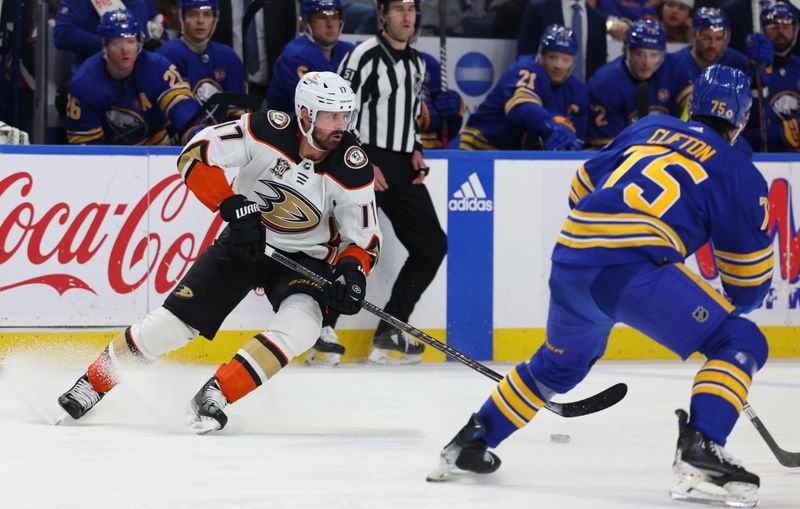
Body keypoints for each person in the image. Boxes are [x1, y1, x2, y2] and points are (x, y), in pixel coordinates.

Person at [429, 65, 773, 508]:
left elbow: (580, 189)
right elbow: (747, 287)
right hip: (630, 271)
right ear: (742, 120)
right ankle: (702, 448)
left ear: (692, 104)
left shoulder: (650, 127)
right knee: (740, 340)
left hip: (571, 258)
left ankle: (470, 443)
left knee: (556, 368)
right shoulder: (738, 170)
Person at [57, 71, 381, 433]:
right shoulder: (265, 129)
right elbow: (194, 156)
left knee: (302, 326)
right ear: (305, 114)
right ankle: (93, 382)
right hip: (247, 240)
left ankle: (217, 393)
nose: (340, 125)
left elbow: (363, 239)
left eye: (344, 115)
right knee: (172, 326)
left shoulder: (352, 167)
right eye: (330, 115)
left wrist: (352, 273)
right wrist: (232, 205)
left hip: (306, 261)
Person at [336, 0, 447, 364]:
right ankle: (322, 326)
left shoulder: (417, 64)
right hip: (362, 158)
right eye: (398, 8)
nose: (406, 15)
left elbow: (409, 113)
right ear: (382, 15)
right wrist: (361, 160)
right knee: (346, 241)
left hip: (401, 163)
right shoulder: (363, 57)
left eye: (411, 9)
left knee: (431, 245)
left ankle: (391, 327)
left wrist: (414, 147)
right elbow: (341, 112)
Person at [65, 9, 202, 145]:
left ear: (139, 44)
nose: (125, 49)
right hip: (108, 154)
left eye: (130, 41)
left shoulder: (158, 68)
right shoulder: (84, 81)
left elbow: (180, 105)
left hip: (155, 147)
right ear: (105, 45)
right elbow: (86, 144)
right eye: (117, 43)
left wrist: (192, 132)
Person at [460, 25, 587, 151]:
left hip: (518, 152)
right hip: (483, 144)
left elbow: (578, 138)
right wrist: (552, 126)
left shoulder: (577, 90)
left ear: (573, 62)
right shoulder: (526, 69)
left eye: (565, 60)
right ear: (541, 57)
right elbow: (521, 108)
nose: (558, 65)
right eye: (552, 57)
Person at [587, 19, 679, 148]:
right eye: (640, 54)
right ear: (626, 51)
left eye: (654, 55)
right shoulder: (604, 84)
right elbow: (609, 148)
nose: (646, 63)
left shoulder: (673, 72)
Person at [157, 0, 247, 124]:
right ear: (182, 17)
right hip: (180, 140)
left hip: (220, 140)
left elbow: (237, 111)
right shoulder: (165, 56)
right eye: (193, 14)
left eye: (207, 14)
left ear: (215, 19)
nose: (200, 21)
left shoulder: (228, 56)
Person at [267, 0, 355, 114]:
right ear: (305, 23)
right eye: (322, 17)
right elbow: (311, 106)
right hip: (289, 126)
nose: (330, 24)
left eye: (334, 16)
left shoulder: (348, 51)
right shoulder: (296, 56)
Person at [743, 1, 800, 151]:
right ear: (762, 30)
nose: (780, 31)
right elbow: (743, 133)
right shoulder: (745, 70)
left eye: (786, 26)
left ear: (796, 31)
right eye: (773, 26)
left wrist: (786, 133)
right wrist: (755, 85)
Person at [672, 7, 747, 114]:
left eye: (718, 38)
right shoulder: (674, 64)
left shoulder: (737, 62)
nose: (712, 45)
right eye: (706, 38)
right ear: (693, 36)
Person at [515, 0, 609, 82]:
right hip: (541, 95)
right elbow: (525, 57)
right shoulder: (538, 9)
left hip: (584, 97)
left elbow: (599, 66)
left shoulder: (598, 19)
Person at [54, 0, 164, 65]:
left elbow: (156, 24)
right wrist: (110, 45)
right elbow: (63, 34)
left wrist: (162, 48)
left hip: (141, 76)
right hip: (98, 77)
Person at [419, 51, 464, 149]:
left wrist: (452, 119)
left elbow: (443, 132)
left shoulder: (429, 64)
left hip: (430, 155)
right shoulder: (382, 63)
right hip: (392, 154)